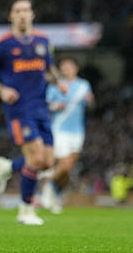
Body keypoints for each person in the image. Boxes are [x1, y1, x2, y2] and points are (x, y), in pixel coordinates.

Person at [0, 0, 63, 226]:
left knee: (47, 162)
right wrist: (1, 90)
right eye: (17, 11)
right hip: (20, 110)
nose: (22, 14)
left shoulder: (43, 41)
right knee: (35, 158)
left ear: (32, 14)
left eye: (26, 10)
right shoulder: (3, 44)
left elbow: (49, 69)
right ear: (11, 16)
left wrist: (58, 81)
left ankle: (7, 166)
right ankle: (25, 210)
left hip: (41, 107)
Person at [39, 56, 93, 214]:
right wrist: (57, 106)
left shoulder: (83, 85)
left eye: (68, 67)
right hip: (60, 129)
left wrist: (90, 101)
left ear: (76, 68)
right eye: (63, 68)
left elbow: (91, 105)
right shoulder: (56, 86)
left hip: (77, 131)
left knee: (68, 170)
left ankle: (55, 194)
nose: (65, 70)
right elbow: (47, 105)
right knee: (65, 165)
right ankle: (46, 187)